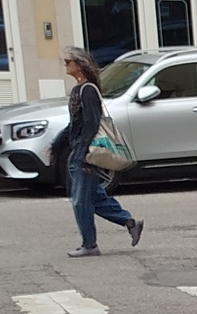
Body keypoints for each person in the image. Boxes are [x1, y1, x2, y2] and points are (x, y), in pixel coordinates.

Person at [62, 49, 144, 257]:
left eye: (68, 61)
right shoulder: (77, 90)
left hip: (87, 153)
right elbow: (74, 124)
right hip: (79, 151)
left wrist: (83, 151)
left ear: (79, 65)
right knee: (95, 198)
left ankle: (90, 245)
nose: (65, 65)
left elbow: (92, 122)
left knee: (81, 201)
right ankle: (131, 222)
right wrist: (56, 146)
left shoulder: (88, 90)